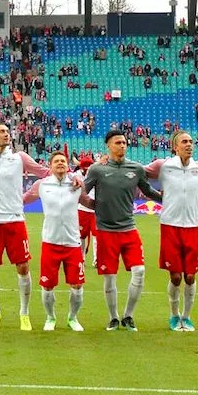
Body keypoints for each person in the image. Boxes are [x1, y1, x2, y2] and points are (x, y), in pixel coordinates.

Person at [143, 131, 198, 332]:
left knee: (190, 276)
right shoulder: (163, 165)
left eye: (190, 141)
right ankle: (174, 315)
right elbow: (138, 172)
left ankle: (186, 317)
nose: (189, 145)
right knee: (176, 277)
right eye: (184, 142)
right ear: (175, 147)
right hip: (170, 225)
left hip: (191, 227)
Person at [83, 129, 162, 332]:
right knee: (109, 277)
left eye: (124, 142)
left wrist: (168, 198)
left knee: (140, 271)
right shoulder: (97, 169)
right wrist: (95, 206)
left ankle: (128, 316)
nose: (122, 145)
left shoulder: (136, 169)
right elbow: (82, 191)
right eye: (118, 142)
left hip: (129, 228)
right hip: (105, 231)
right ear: (108, 146)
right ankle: (113, 318)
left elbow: (148, 191)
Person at [0, 123, 50, 331]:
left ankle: (24, 313)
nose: (6, 134)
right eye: (1, 132)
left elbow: (45, 171)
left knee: (23, 266)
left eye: (8, 132)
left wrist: (72, 177)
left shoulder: (20, 158)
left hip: (15, 218)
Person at [24, 151, 90, 332]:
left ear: (68, 165)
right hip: (50, 242)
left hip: (73, 244)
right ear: (50, 165)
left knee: (77, 285)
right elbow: (23, 199)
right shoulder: (42, 185)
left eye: (63, 161)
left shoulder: (77, 185)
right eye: (57, 161)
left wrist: (109, 204)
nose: (60, 163)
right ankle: (50, 317)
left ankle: (72, 318)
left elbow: (88, 202)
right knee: (47, 285)